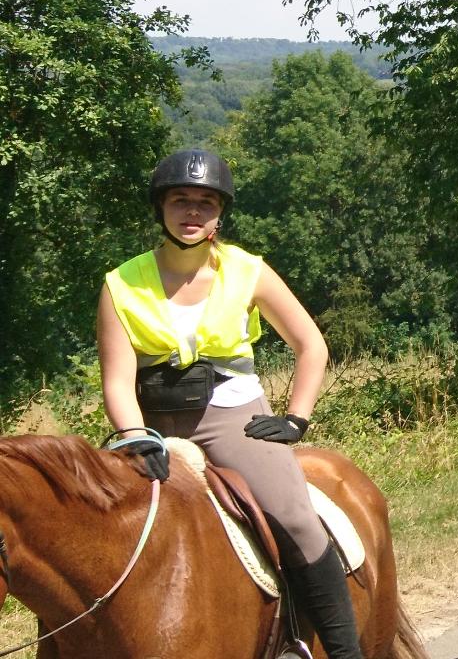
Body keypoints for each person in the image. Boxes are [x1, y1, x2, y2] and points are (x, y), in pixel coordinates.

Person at [97, 149, 365, 659]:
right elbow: (117, 379)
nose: (193, 211)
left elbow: (311, 344)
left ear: (221, 213)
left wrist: (295, 418)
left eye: (206, 202)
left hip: (234, 421)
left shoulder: (248, 271)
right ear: (161, 208)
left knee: (297, 519)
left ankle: (338, 650)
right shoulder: (119, 284)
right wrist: (134, 435)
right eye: (181, 200)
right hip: (151, 429)